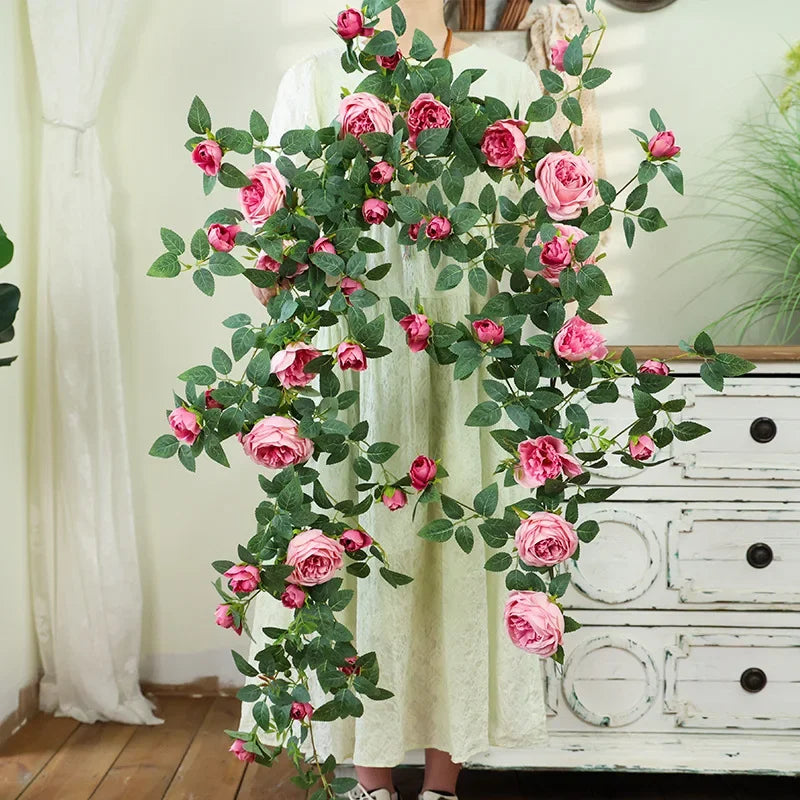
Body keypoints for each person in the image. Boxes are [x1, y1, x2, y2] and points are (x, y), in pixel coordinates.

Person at [242, 3, 549, 798]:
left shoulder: (508, 82)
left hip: (464, 363)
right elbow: (276, 244)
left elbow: (533, 239)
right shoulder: (312, 83)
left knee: (459, 548)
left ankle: (444, 783)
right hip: (356, 364)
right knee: (355, 547)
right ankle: (371, 781)